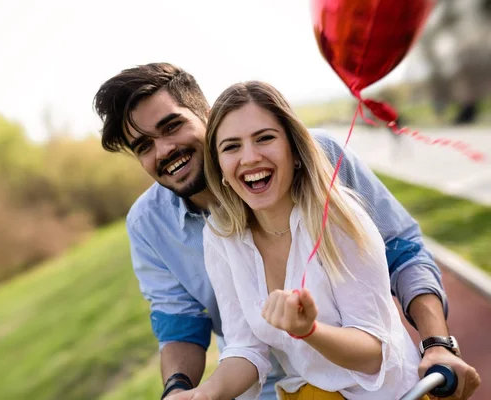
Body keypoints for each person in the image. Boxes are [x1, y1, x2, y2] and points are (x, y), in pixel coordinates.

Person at [93, 62, 480, 399]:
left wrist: (437, 343)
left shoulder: (327, 182)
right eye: (144, 146)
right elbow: (191, 328)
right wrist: (187, 392)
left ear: (207, 118)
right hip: (268, 389)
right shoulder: (200, 234)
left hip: (376, 385)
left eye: (173, 125)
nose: (164, 151)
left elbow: (402, 253)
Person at [169, 80, 424, 399]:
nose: (249, 158)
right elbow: (247, 348)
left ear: (295, 152)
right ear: (219, 166)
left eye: (264, 138)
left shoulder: (340, 219)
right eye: (231, 146)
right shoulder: (220, 238)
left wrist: (309, 331)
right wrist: (205, 394)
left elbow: (374, 356)